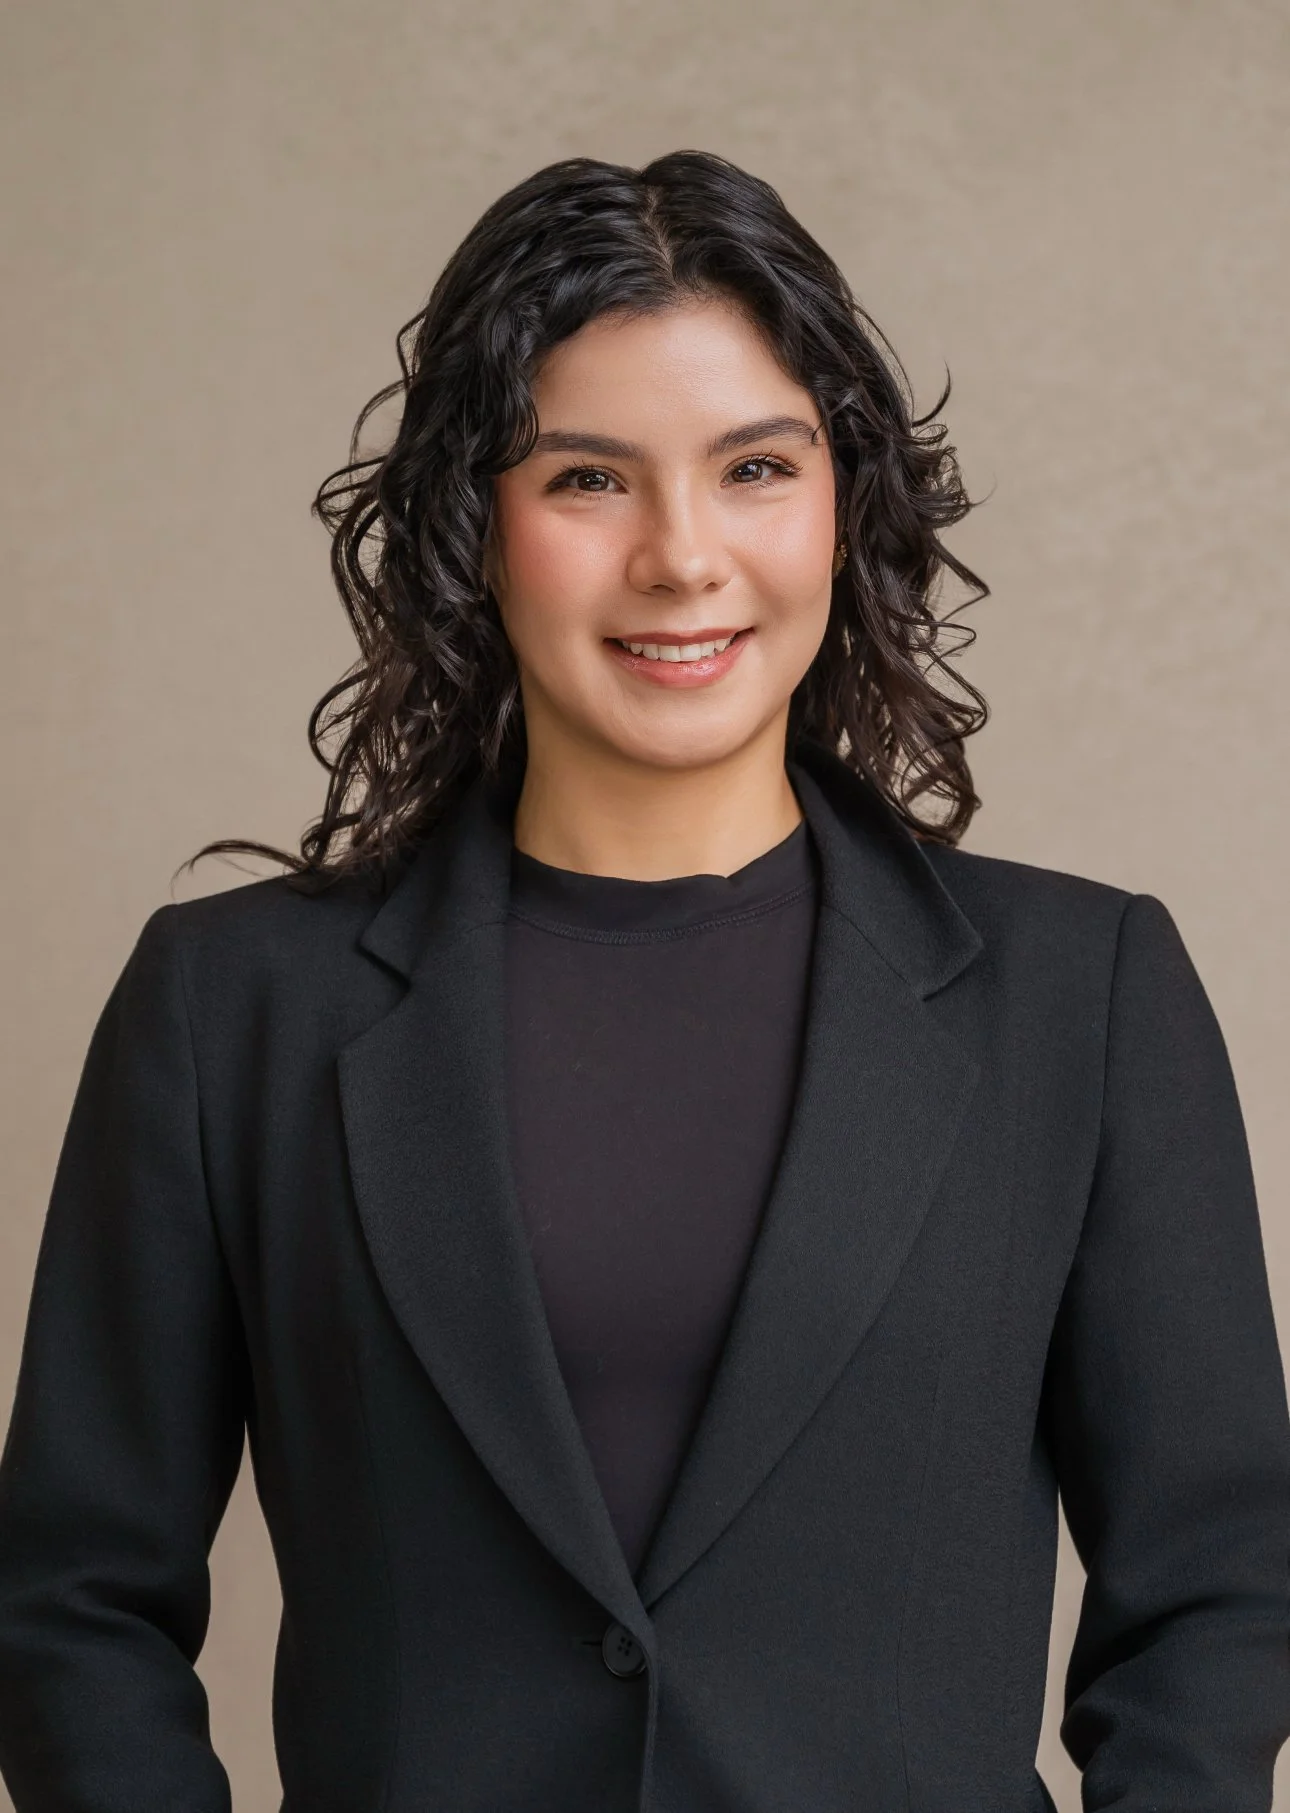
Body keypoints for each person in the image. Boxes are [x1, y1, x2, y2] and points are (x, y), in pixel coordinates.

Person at [0, 150, 1285, 1813]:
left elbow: (1219, 1585)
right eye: (588, 479)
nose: (681, 558)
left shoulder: (1081, 999)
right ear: (473, 528)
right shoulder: (231, 1012)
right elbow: (71, 1603)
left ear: (843, 505)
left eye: (755, 467)